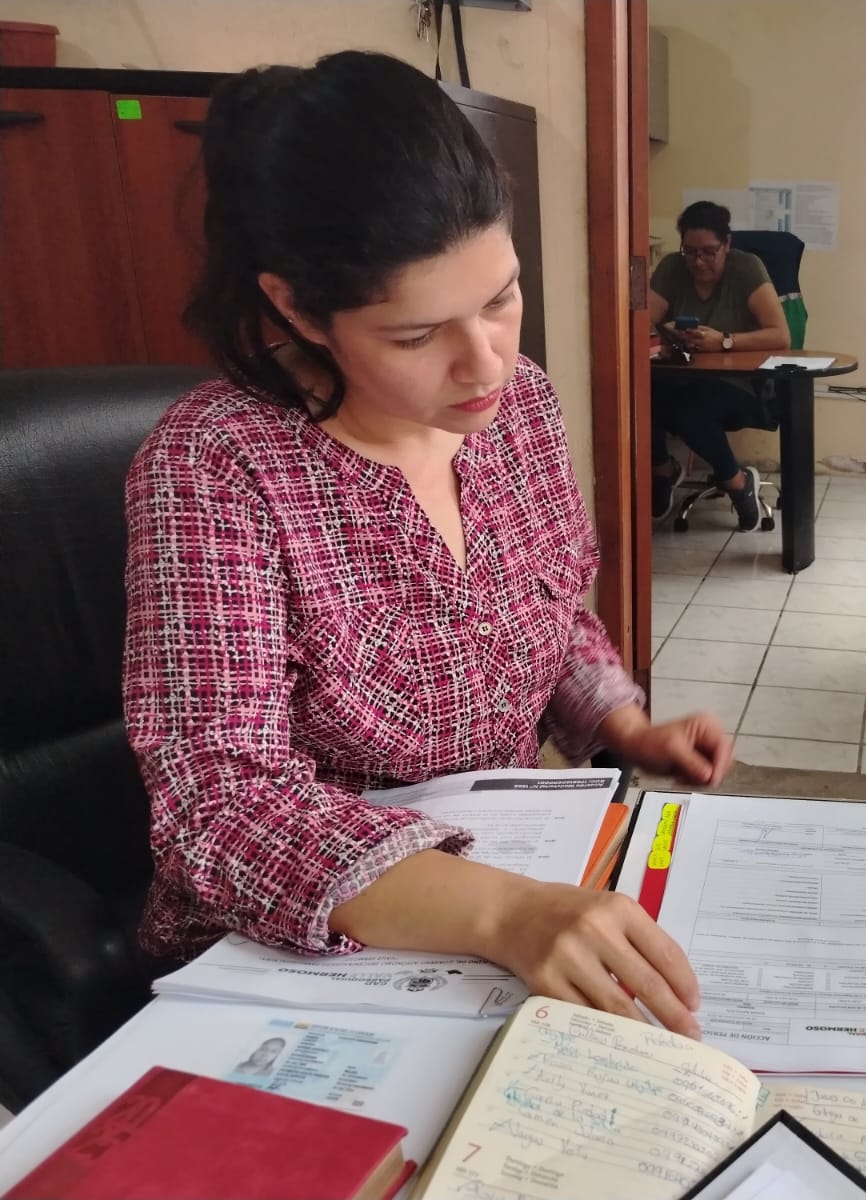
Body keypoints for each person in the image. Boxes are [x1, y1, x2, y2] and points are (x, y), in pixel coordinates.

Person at [124, 51, 729, 1039]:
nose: (484, 364)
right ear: (296, 307)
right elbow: (218, 805)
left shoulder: (519, 407)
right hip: (311, 950)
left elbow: (546, 613)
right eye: (415, 336)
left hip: (515, 884)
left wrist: (622, 722)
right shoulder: (217, 465)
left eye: (501, 299)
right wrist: (505, 914)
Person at [647, 201, 791, 528]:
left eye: (709, 252)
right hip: (685, 377)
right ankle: (663, 470)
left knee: (689, 409)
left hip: (741, 385)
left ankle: (737, 482)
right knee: (640, 393)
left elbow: (780, 335)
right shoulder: (672, 268)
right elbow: (642, 322)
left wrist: (724, 341)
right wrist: (666, 332)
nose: (698, 261)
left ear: (727, 244)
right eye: (690, 251)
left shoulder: (746, 268)